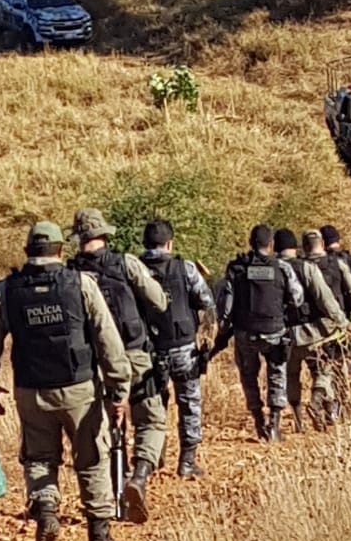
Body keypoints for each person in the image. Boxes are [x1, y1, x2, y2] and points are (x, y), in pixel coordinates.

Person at [0, 221, 132, 541]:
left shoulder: (6, 291)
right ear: (61, 250)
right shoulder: (81, 284)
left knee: (39, 460)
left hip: (31, 391)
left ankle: (47, 511)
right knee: (92, 459)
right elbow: (108, 341)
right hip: (80, 390)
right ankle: (100, 540)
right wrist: (119, 390)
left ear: (28, 252)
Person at [68, 209, 168, 523]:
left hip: (93, 363)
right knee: (151, 420)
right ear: (104, 234)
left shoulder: (70, 274)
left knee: (105, 428)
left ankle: (112, 495)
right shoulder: (126, 263)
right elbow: (159, 301)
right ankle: (139, 477)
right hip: (134, 356)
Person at [140, 219, 216, 478]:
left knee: (154, 405)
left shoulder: (135, 270)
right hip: (183, 348)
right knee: (189, 403)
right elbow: (206, 301)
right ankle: (187, 462)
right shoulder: (185, 268)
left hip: (150, 350)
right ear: (169, 244)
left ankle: (154, 456)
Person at [217, 224, 304, 443]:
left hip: (245, 331)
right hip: (274, 331)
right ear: (271, 244)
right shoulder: (282, 268)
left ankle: (258, 421)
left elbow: (226, 306)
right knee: (277, 374)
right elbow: (297, 298)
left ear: (250, 243)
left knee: (248, 376)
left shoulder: (236, 268)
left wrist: (223, 330)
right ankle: (274, 424)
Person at [276, 229, 351, 431]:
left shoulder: (271, 269)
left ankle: (298, 422)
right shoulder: (306, 268)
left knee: (291, 376)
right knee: (323, 370)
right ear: (295, 247)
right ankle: (318, 398)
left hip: (284, 335)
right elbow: (325, 299)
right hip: (312, 333)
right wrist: (343, 322)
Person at [317, 226, 351, 404]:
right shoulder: (348, 259)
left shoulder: (318, 264)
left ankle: (337, 402)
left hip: (328, 322)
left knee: (333, 362)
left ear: (322, 243)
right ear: (338, 240)